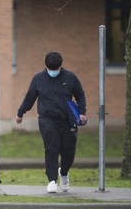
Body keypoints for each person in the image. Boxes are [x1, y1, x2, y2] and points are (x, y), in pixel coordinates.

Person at [15, 52, 87, 193]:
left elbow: (80, 94)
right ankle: (52, 180)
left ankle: (64, 173)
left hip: (67, 120)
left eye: (56, 70)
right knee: (51, 149)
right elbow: (30, 97)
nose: (53, 72)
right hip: (47, 119)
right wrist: (20, 113)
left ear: (61, 66)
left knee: (68, 152)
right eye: (50, 70)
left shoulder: (70, 77)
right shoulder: (38, 78)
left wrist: (82, 112)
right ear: (46, 67)